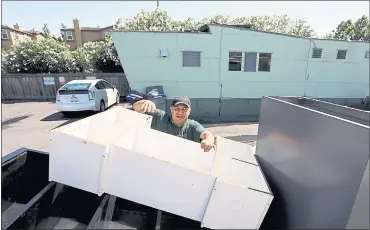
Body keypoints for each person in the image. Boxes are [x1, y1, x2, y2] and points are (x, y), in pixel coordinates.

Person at [132, 96, 215, 152]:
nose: (180, 112)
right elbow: (136, 109)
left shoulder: (192, 126)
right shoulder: (161, 117)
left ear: (189, 112)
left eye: (184, 109)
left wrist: (209, 140)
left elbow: (206, 134)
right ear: (171, 109)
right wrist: (144, 103)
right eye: (177, 108)